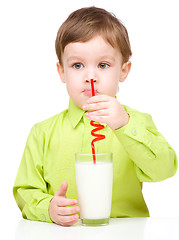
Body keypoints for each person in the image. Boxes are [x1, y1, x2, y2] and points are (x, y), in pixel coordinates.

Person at [13, 6, 177, 227]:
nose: (90, 76)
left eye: (103, 65)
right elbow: (25, 191)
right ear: (62, 71)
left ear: (123, 71)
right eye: (77, 65)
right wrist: (48, 208)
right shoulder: (42, 132)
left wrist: (124, 125)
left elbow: (164, 170)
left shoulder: (137, 122)